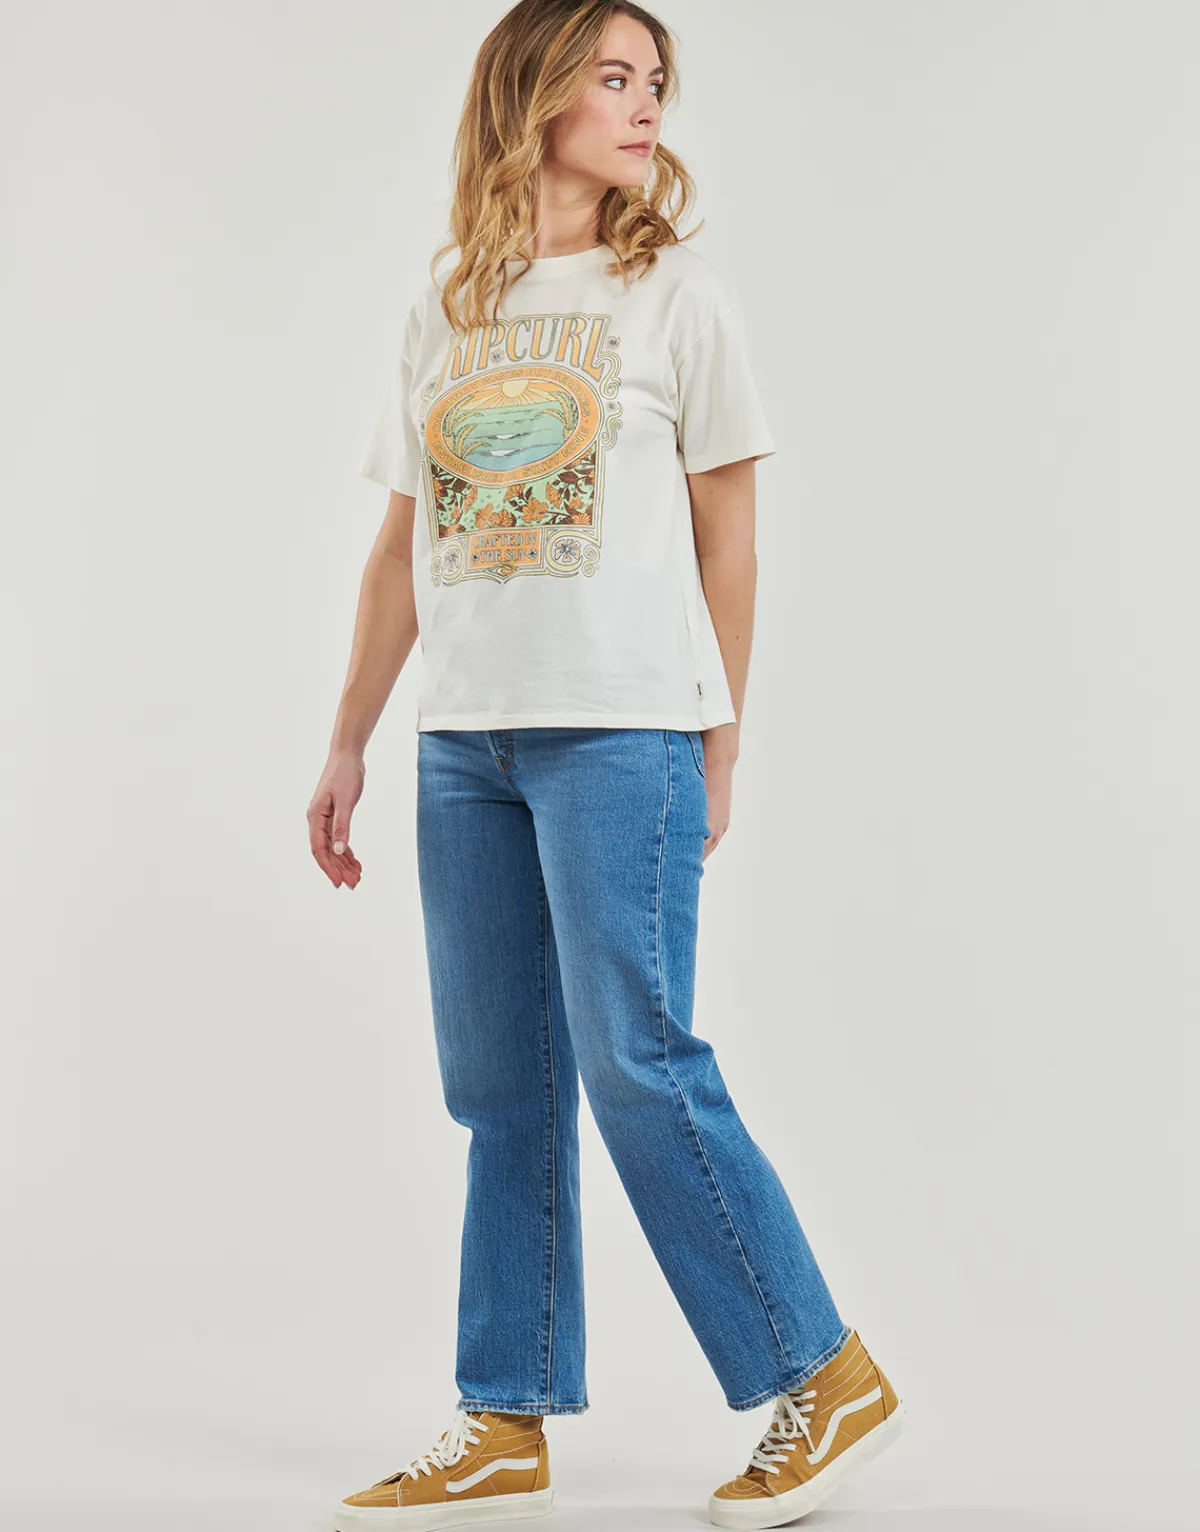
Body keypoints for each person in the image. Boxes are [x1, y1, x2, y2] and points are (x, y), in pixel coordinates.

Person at [310, 3, 906, 1528]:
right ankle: (503, 1413)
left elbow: (731, 540)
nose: (645, 107)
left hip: (621, 729)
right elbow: (398, 549)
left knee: (638, 1059)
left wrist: (721, 733)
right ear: (534, 91)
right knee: (500, 1089)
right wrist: (348, 738)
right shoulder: (446, 300)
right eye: (616, 77)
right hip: (465, 743)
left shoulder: (680, 297)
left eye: (656, 85)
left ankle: (821, 1369)